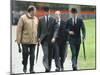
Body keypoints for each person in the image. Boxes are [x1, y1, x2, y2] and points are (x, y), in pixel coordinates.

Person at [16, 5, 39, 73]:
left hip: (33, 41)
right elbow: (19, 30)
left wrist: (38, 39)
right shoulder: (23, 18)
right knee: (25, 54)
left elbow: (38, 30)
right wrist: (18, 41)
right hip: (25, 40)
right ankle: (25, 65)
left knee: (32, 56)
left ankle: (31, 69)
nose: (36, 12)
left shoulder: (36, 19)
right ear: (31, 11)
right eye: (35, 10)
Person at [38, 6, 56, 72]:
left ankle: (48, 68)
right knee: (46, 54)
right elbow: (39, 30)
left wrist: (54, 37)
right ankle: (46, 65)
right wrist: (38, 39)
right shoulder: (40, 19)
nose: (47, 13)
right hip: (44, 40)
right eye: (46, 12)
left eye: (48, 12)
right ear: (44, 12)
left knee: (50, 56)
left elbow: (55, 30)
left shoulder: (53, 19)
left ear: (49, 11)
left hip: (51, 40)